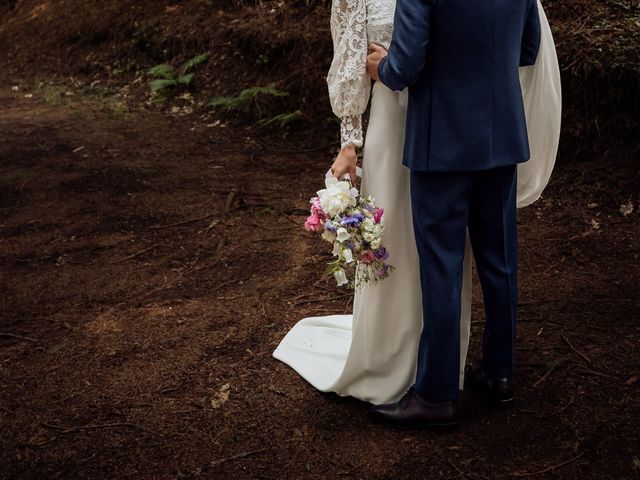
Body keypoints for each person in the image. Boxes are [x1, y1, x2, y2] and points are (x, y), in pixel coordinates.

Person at [273, 0, 561, 415]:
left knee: (441, 264)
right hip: (501, 133)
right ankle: (500, 374)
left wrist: (382, 69)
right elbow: (527, 49)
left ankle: (436, 394)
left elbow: (405, 66)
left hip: (441, 137)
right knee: (499, 262)